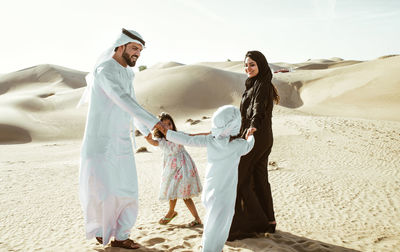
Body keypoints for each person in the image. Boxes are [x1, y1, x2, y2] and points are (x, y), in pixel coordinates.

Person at [78, 28, 164, 249]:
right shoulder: (104, 69)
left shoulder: (128, 73)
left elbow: (130, 103)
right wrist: (154, 121)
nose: (137, 54)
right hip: (101, 142)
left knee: (128, 189)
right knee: (103, 190)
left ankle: (122, 234)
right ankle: (101, 231)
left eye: (140, 50)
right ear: (121, 45)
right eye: (134, 48)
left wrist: (146, 132)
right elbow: (121, 98)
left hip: (122, 143)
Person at [159, 105, 255, 252]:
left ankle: (211, 247)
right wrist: (250, 136)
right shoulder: (238, 145)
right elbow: (249, 145)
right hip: (224, 196)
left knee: (211, 223)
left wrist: (168, 133)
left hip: (209, 192)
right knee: (220, 225)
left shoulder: (210, 140)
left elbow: (188, 140)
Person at [228, 51, 280, 241]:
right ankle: (269, 221)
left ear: (261, 65)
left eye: (252, 64)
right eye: (246, 65)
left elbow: (258, 108)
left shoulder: (262, 85)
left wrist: (253, 126)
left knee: (239, 178)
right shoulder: (255, 84)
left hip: (256, 137)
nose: (248, 68)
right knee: (258, 178)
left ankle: (245, 224)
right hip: (262, 137)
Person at [144, 112, 203, 227]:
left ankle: (197, 218)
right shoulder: (162, 141)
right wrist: (148, 139)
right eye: (164, 125)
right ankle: (171, 212)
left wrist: (207, 134)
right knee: (172, 191)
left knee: (185, 195)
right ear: (159, 128)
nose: (167, 127)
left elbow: (192, 137)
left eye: (169, 124)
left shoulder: (178, 135)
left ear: (173, 124)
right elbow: (154, 142)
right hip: (171, 169)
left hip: (183, 167)